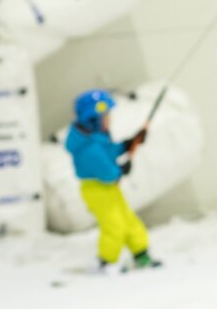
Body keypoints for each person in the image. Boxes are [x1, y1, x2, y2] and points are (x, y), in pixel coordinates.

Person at [65, 89, 160, 274]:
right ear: (93, 119)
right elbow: (107, 172)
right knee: (114, 225)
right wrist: (121, 170)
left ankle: (141, 254)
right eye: (106, 116)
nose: (110, 120)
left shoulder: (96, 139)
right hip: (96, 190)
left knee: (128, 220)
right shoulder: (88, 148)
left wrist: (129, 143)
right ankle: (106, 262)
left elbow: (109, 152)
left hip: (108, 189)